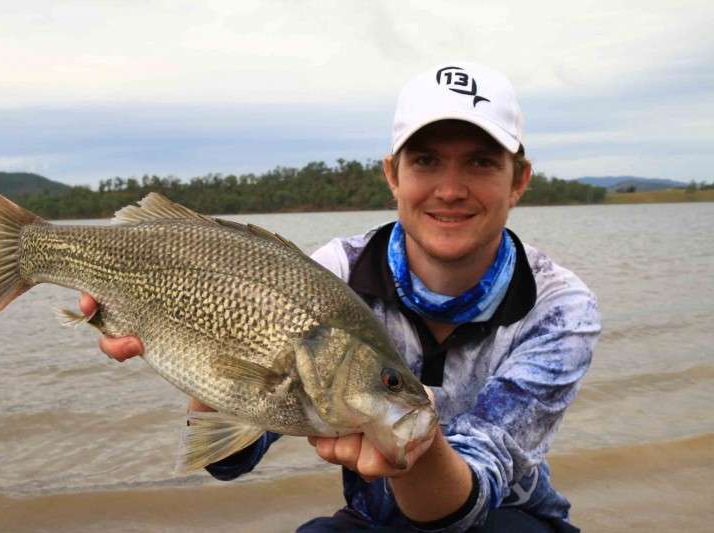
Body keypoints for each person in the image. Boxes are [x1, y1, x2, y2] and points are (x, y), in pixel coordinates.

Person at [80, 61, 601, 532]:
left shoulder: (559, 309)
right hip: (371, 518)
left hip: (510, 519)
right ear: (392, 175)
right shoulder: (331, 275)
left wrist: (414, 450)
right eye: (425, 160)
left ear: (519, 180)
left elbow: (476, 494)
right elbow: (232, 458)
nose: (450, 189)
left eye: (481, 163)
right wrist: (193, 342)